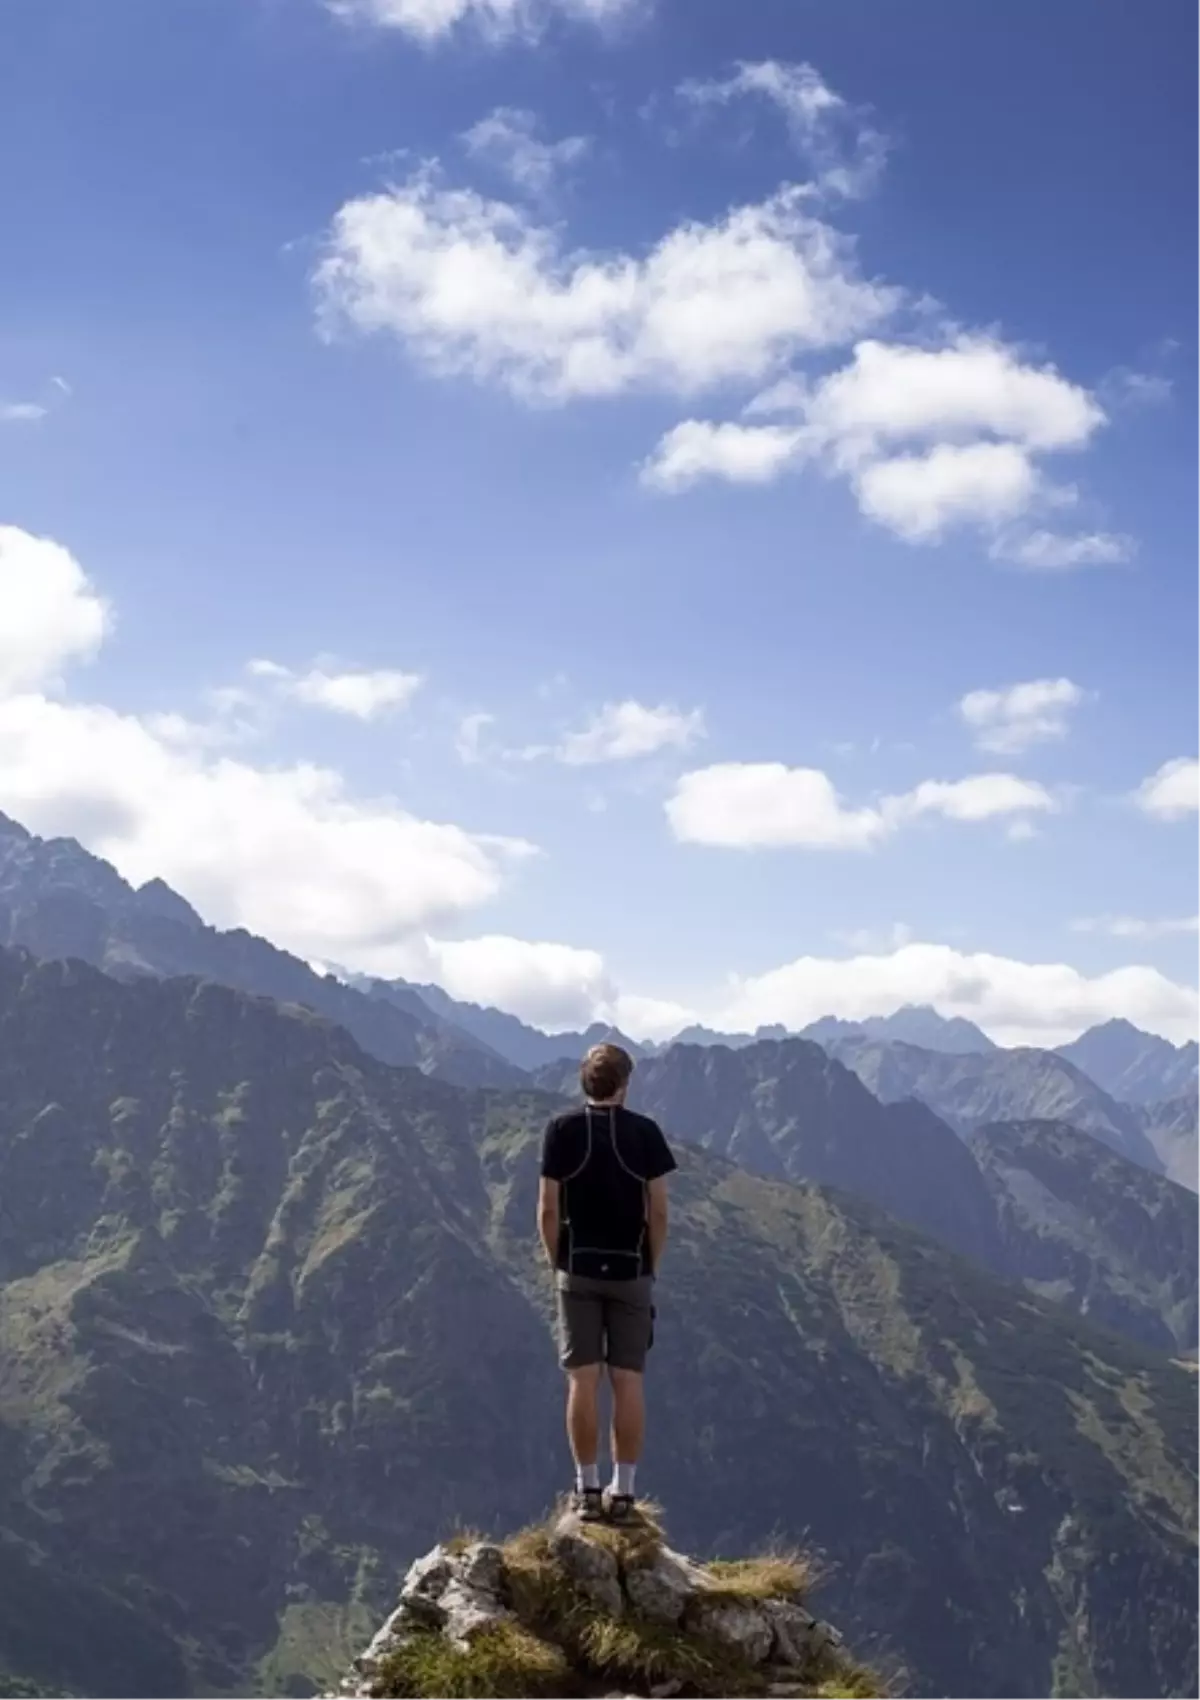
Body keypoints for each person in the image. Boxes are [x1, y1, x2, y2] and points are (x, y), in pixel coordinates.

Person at [538, 1042, 677, 1524]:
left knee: (582, 1378)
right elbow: (658, 1211)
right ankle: (625, 1493)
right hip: (631, 1270)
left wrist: (557, 1260)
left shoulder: (561, 1131)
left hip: (576, 1267)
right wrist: (649, 1264)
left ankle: (586, 1488)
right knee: (628, 1380)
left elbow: (549, 1209)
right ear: (625, 1083)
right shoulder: (646, 1134)